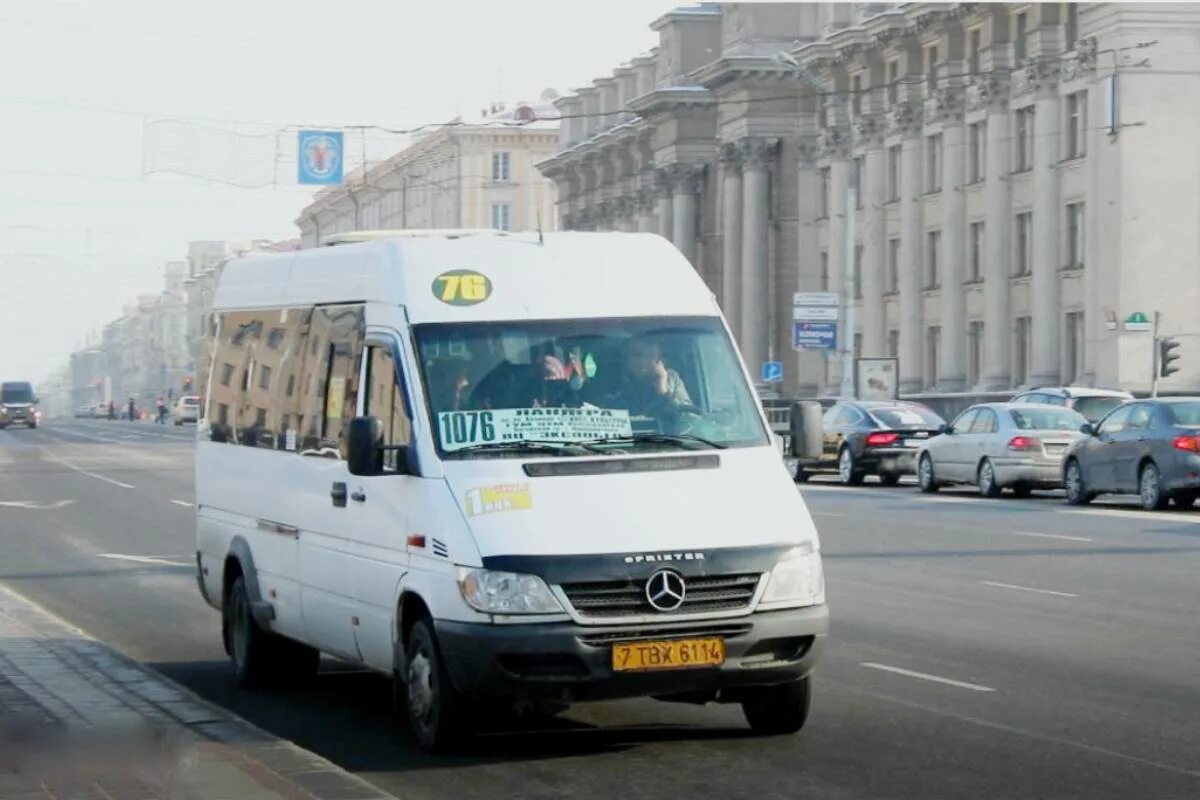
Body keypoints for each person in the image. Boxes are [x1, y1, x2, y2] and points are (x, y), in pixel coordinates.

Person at [592, 336, 691, 417]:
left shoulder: (671, 379)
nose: (643, 361)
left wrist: (663, 391)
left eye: (650, 356)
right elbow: (597, 414)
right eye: (637, 355)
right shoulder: (611, 381)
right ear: (626, 357)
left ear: (659, 361)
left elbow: (688, 418)